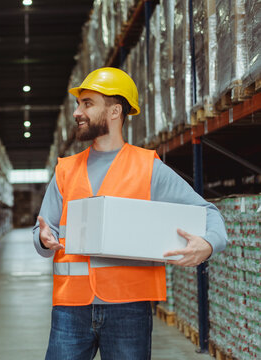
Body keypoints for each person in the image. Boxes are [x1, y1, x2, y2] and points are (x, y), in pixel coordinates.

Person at [33, 67, 227, 360]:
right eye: (78, 103)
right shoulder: (65, 170)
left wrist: (209, 243)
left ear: (114, 111)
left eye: (87, 103)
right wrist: (44, 239)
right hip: (71, 307)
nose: (77, 112)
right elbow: (43, 231)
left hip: (128, 307)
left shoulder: (148, 168)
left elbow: (207, 212)